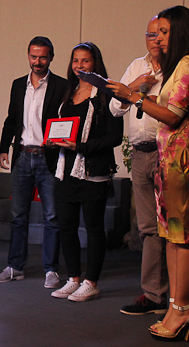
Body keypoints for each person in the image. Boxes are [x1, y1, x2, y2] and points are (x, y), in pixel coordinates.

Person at [108, 5, 189, 341]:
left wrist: (133, 96)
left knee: (183, 236)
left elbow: (172, 115)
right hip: (169, 157)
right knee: (170, 235)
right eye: (156, 33)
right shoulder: (180, 64)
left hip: (182, 158)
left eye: (165, 32)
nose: (159, 38)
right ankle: (173, 306)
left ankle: (183, 308)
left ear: (180, 31)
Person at [48, 42, 123, 302]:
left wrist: (81, 146)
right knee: (66, 227)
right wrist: (53, 140)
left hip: (93, 170)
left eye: (86, 61)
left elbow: (115, 137)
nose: (79, 66)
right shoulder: (68, 92)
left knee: (93, 228)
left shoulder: (107, 94)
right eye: (75, 60)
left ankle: (91, 282)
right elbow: (60, 126)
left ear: (96, 64)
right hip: (66, 169)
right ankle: (73, 278)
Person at [0, 36, 67, 289]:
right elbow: (11, 119)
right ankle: (15, 267)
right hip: (22, 155)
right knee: (18, 216)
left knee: (52, 216)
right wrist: (4, 148)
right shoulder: (17, 84)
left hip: (49, 157)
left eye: (43, 57)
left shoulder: (61, 86)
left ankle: (51, 270)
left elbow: (66, 122)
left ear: (51, 58)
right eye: (34, 56)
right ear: (28, 56)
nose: (38, 61)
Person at [109, 17, 168, 315]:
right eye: (150, 34)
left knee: (173, 227)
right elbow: (114, 108)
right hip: (140, 153)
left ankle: (180, 297)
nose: (155, 39)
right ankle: (154, 295)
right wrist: (133, 88)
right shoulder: (136, 66)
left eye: (161, 33)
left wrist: (146, 96)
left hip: (167, 151)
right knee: (147, 228)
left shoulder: (176, 68)